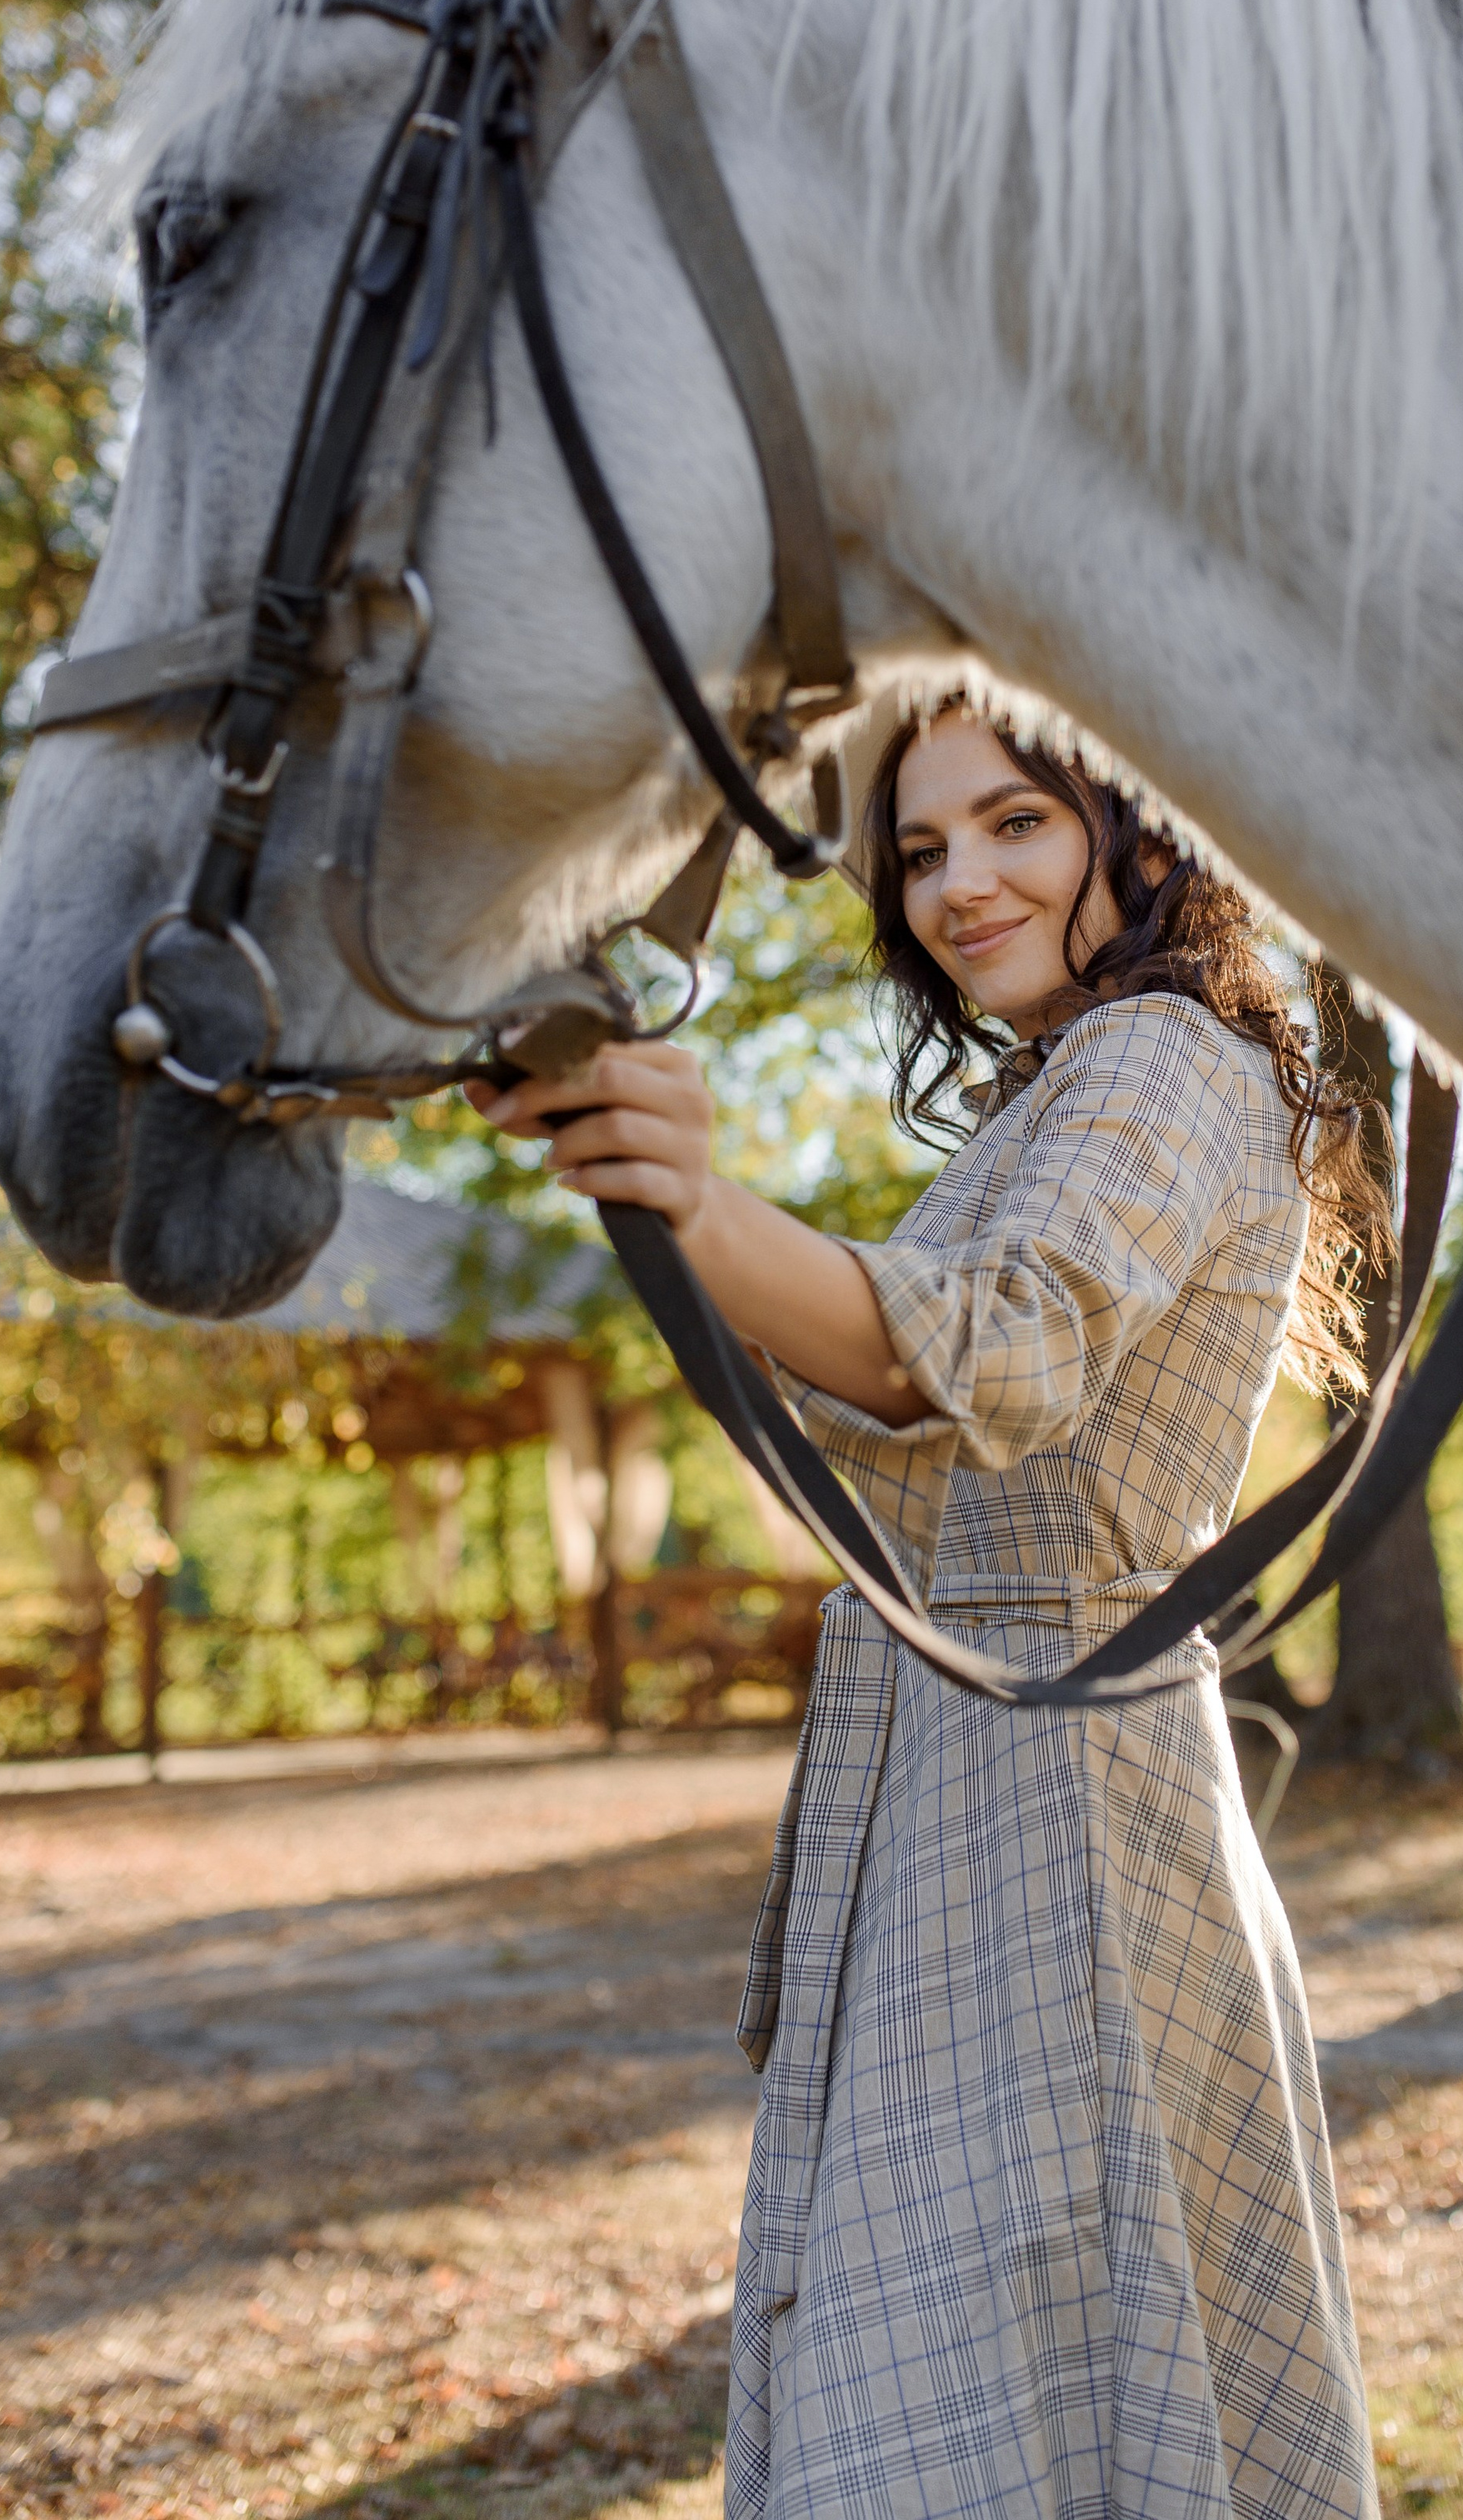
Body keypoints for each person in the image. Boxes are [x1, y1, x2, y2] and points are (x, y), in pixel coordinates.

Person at [476, 708, 1386, 2518]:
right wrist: (652, 1183)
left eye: (1013, 822)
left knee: (997, 2332)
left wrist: (696, 1192)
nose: (960, 881)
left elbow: (982, 1349)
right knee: (1020, 2343)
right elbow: (879, 1384)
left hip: (1049, 1773)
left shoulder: (1155, 1058)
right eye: (918, 849)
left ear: (1142, 841)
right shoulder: (1070, 1086)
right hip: (995, 1761)